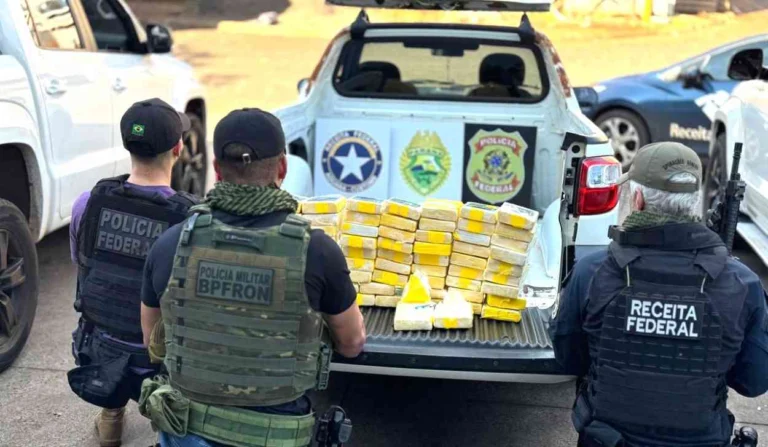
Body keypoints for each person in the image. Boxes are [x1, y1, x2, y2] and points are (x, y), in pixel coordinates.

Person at [139, 108, 366, 447]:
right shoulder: (317, 251)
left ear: (217, 169)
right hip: (278, 433)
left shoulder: (172, 243)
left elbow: (153, 343)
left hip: (187, 427)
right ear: (283, 168)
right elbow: (352, 343)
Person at [549, 142, 768, 447]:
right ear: (693, 202)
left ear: (637, 199)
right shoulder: (741, 284)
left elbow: (568, 360)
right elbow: (753, 382)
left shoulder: (592, 272)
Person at [68, 98, 199, 447]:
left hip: (96, 349)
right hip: (159, 361)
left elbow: (83, 266)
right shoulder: (192, 220)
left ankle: (111, 417)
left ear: (128, 145)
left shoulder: (88, 202)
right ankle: (167, 420)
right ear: (178, 148)